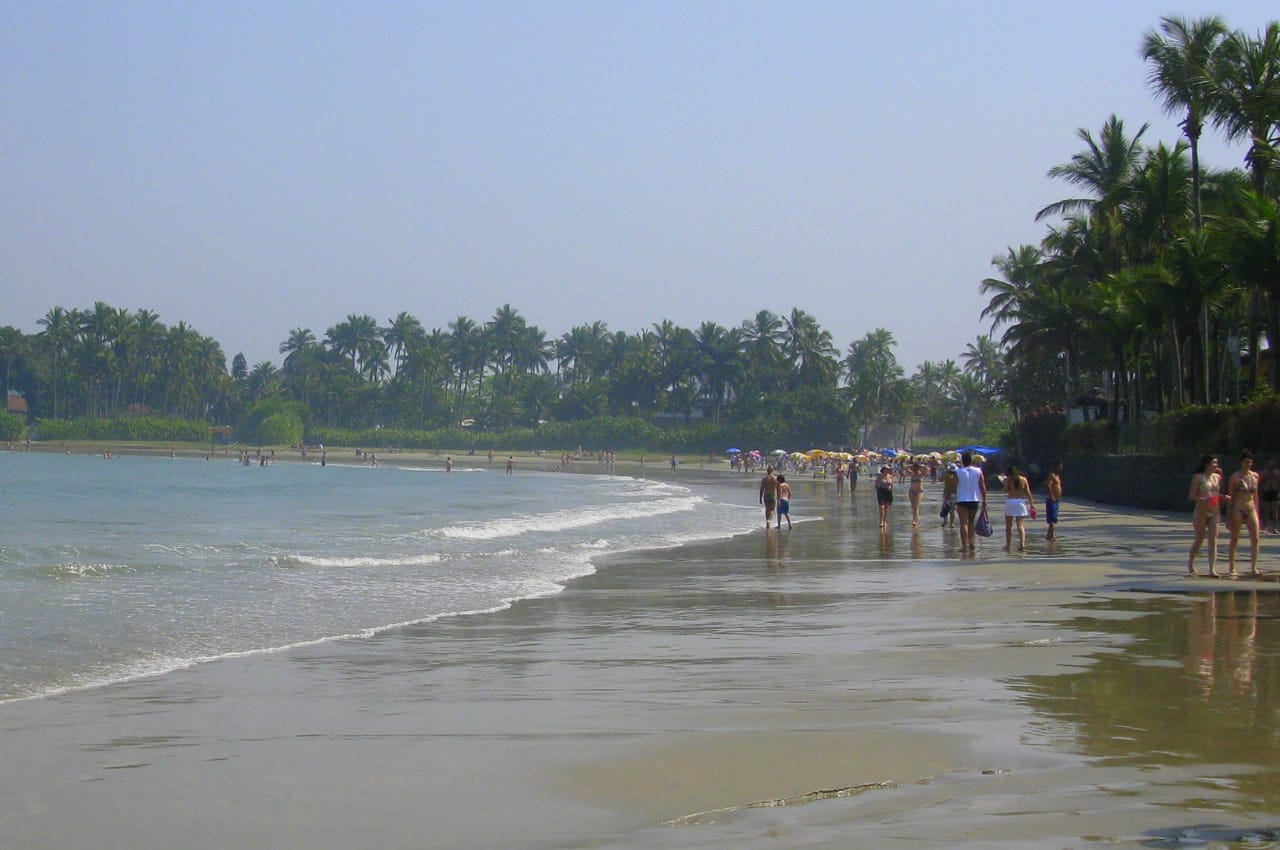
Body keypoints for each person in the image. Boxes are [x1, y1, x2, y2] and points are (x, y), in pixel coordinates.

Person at [1227, 449, 1263, 578]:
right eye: (1246, 462)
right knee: (1235, 538)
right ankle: (1232, 566)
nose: (1248, 464)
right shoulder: (1235, 477)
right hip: (1238, 508)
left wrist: (1258, 512)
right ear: (1241, 462)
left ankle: (1254, 567)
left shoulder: (1255, 476)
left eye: (1250, 462)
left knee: (1255, 538)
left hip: (1251, 508)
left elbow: (1256, 495)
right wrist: (1229, 516)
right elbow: (1230, 497)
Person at [1187, 454, 1223, 577]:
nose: (1216, 465)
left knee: (1213, 540)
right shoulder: (1198, 477)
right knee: (1199, 539)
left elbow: (1216, 493)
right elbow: (1191, 495)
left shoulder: (1217, 477)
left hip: (1214, 512)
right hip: (1200, 512)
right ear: (1207, 464)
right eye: (1214, 463)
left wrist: (1224, 497)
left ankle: (1212, 569)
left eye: (1217, 463)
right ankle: (1191, 563)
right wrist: (1200, 499)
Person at [954, 451, 987, 551]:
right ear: (971, 461)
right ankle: (971, 542)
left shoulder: (958, 472)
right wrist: (985, 500)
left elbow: (954, 486)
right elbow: (983, 486)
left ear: (962, 461)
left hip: (961, 499)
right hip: (975, 499)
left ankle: (964, 546)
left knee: (963, 523)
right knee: (971, 522)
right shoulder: (978, 471)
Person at [1003, 465, 1036, 552]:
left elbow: (1005, 490)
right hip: (1020, 502)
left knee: (1009, 526)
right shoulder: (1024, 479)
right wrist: (1032, 504)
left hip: (1010, 502)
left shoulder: (1009, 480)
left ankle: (1008, 545)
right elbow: (1028, 492)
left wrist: (1005, 482)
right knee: (1020, 525)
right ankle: (1022, 543)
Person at [1260, 457, 1280, 535]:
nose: (1270, 464)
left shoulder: (1277, 473)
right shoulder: (1263, 473)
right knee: (1266, 512)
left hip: (1275, 493)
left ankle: (1274, 528)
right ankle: (1265, 527)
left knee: (1275, 512)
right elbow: (1260, 484)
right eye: (1269, 463)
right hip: (1266, 493)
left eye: (1272, 463)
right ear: (1266, 464)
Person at [1045, 460, 1064, 540]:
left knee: (1054, 518)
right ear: (1055, 467)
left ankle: (1048, 535)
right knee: (1052, 518)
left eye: (1061, 468)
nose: (1060, 469)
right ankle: (1052, 536)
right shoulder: (1052, 475)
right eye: (1059, 467)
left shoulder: (1057, 475)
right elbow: (1048, 485)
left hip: (1056, 500)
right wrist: (1052, 495)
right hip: (1051, 499)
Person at [874, 465, 894, 530]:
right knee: (881, 506)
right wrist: (878, 490)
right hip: (881, 491)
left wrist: (890, 489)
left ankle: (885, 521)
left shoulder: (890, 476)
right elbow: (876, 485)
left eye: (888, 469)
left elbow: (892, 485)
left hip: (888, 492)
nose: (887, 470)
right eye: (886, 469)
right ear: (883, 469)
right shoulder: (879, 476)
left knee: (886, 507)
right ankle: (881, 521)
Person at [907, 463, 926, 528]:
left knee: (916, 506)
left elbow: (926, 469)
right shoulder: (912, 474)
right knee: (913, 506)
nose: (914, 470)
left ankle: (914, 520)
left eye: (916, 469)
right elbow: (905, 469)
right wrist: (911, 466)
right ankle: (915, 519)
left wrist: (921, 466)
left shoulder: (921, 474)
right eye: (914, 469)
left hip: (919, 492)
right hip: (911, 491)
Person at [941, 463, 958, 528]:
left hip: (946, 494)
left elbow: (940, 479)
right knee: (952, 510)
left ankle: (945, 521)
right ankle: (951, 523)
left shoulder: (946, 475)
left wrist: (945, 472)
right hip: (954, 494)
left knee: (945, 508)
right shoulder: (956, 476)